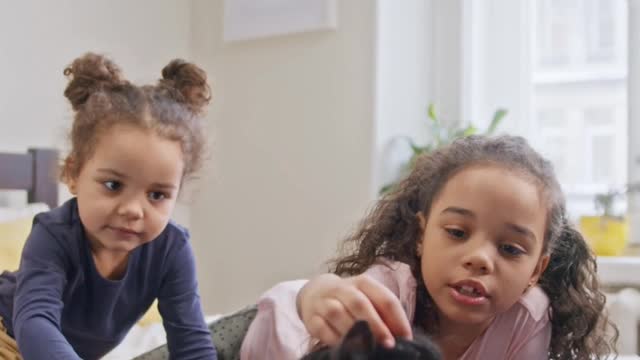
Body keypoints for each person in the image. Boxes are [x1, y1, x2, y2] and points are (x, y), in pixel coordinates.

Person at [241, 135, 618, 360]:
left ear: (536, 270)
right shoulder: (389, 290)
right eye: (456, 232)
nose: (479, 258)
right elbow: (263, 345)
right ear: (422, 236)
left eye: (510, 249)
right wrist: (311, 297)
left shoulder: (528, 317)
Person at [0, 53, 216, 359]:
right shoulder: (54, 234)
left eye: (157, 195)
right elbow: (36, 321)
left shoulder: (172, 249)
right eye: (114, 186)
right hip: (9, 337)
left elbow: (191, 341)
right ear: (73, 174)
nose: (133, 210)